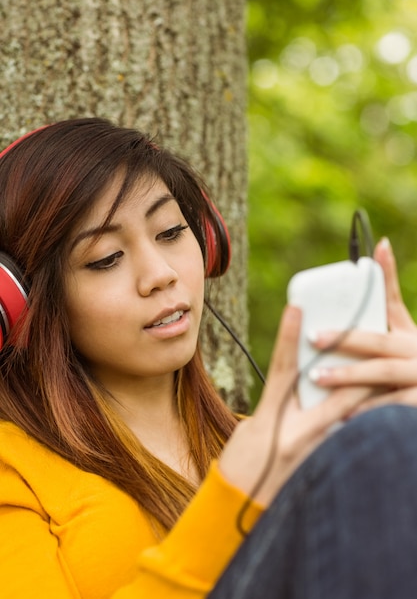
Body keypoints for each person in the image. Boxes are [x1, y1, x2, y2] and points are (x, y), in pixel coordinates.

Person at [1, 118, 417, 599]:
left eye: (172, 232)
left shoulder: (273, 445)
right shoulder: (15, 468)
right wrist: (237, 489)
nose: (160, 274)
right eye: (106, 259)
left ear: (207, 242)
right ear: (26, 303)